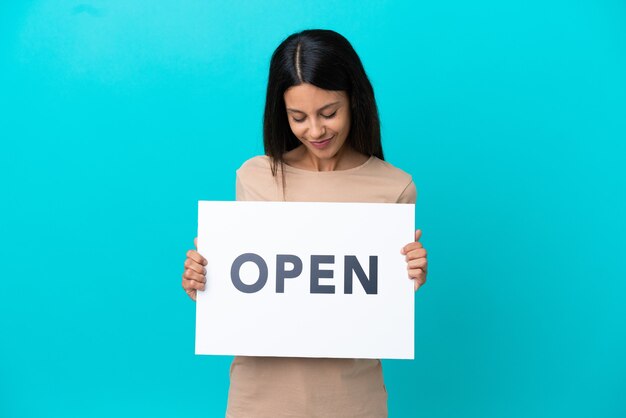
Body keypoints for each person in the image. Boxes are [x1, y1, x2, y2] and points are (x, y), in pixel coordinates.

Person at [181, 29, 429, 418]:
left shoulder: (395, 187)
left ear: (355, 100)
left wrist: (407, 278)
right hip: (258, 398)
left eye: (329, 113)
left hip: (352, 400)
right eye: (298, 117)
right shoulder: (254, 176)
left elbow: (373, 309)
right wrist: (204, 282)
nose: (315, 130)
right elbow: (245, 295)